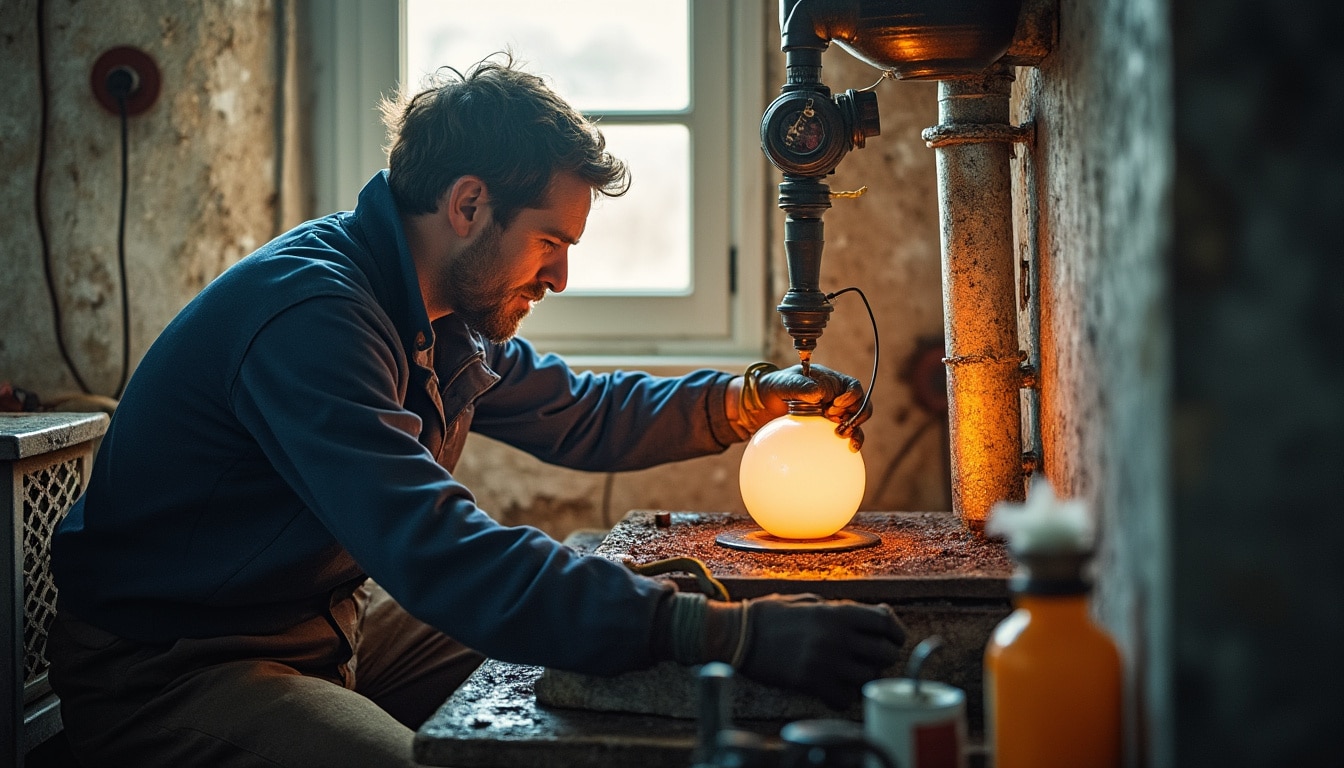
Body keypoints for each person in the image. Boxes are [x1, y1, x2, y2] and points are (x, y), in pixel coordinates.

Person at [48, 55, 903, 768]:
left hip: (324, 627)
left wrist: (751, 399)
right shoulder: (313, 318)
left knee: (602, 647)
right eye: (552, 243)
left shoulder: (441, 316)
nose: (560, 277)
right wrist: (726, 633)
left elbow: (579, 412)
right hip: (176, 666)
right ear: (467, 205)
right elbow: (440, 553)